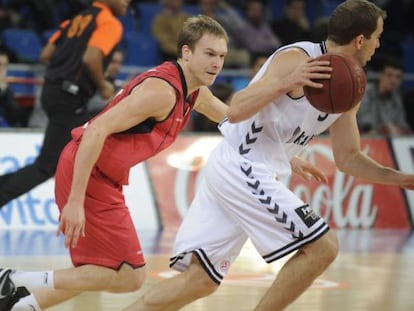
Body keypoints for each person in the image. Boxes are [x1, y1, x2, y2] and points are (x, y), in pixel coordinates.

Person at [121, 1, 414, 310]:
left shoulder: (349, 85)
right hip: (243, 165)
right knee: (323, 247)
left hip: (247, 170)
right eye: (377, 36)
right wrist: (286, 83)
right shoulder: (297, 58)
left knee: (200, 280)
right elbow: (236, 109)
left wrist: (400, 178)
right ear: (360, 40)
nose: (378, 44)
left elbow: (348, 156)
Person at [0, 14, 233, 311]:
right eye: (210, 54)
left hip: (102, 176)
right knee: (130, 275)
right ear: (186, 53)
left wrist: (278, 148)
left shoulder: (195, 92)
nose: (217, 63)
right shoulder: (162, 91)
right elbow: (96, 130)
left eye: (222, 56)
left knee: (96, 270)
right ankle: (15, 279)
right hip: (88, 171)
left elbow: (231, 118)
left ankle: (20, 305)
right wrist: (75, 201)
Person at [0, 0, 127, 208]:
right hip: (71, 97)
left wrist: (66, 65)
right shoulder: (109, 23)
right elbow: (91, 57)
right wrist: (103, 85)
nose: (127, 2)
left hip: (51, 91)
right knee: (46, 167)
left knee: (48, 162)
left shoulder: (72, 21)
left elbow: (45, 55)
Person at [357, 56, 412, 136]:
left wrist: (398, 129)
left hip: (390, 139)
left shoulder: (397, 97)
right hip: (365, 139)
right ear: (381, 75)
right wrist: (386, 129)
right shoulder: (366, 92)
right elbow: (365, 124)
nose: (393, 80)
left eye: (398, 77)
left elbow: (402, 124)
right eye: (389, 75)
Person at [0, 50, 21, 127]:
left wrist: (5, 89)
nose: (2, 69)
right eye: (0, 65)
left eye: (5, 65)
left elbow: (14, 117)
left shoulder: (7, 88)